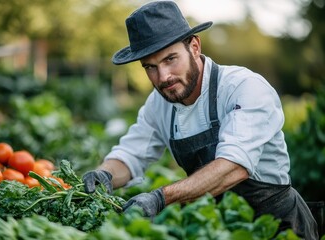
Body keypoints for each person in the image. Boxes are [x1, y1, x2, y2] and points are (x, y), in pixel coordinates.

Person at [82, 1, 318, 239]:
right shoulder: (159, 103)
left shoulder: (243, 87)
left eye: (170, 59)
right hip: (217, 228)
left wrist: (161, 197)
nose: (163, 77)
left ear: (194, 46)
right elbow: (131, 154)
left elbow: (233, 166)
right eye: (150, 67)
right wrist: (105, 175)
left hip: (278, 227)